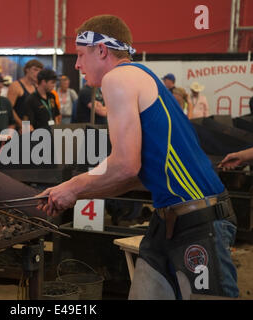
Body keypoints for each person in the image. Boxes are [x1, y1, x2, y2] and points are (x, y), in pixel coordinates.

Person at [37, 14, 239, 299]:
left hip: (198, 219)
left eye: (81, 54)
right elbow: (133, 177)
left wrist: (72, 187)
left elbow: (125, 166)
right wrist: (72, 193)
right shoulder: (139, 75)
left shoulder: (118, 77)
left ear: (102, 50)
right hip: (169, 219)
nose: (78, 64)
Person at [7, 59, 43, 130]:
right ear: (27, 70)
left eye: (40, 71)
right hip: (19, 128)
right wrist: (21, 124)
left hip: (33, 128)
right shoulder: (16, 86)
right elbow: (9, 109)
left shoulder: (36, 87)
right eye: (35, 70)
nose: (38, 73)